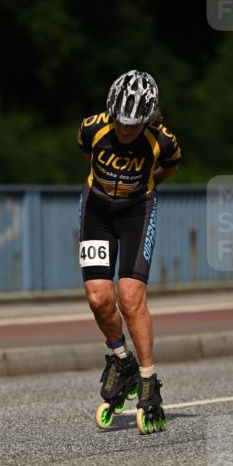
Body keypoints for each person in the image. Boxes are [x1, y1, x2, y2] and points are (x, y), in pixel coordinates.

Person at [77, 70, 181, 434]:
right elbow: (86, 153)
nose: (125, 131)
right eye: (121, 123)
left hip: (138, 211)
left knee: (130, 297)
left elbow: (170, 166)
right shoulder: (92, 129)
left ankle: (149, 382)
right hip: (97, 211)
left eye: (134, 126)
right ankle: (122, 361)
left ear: (149, 120)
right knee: (98, 297)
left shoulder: (163, 142)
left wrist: (146, 185)